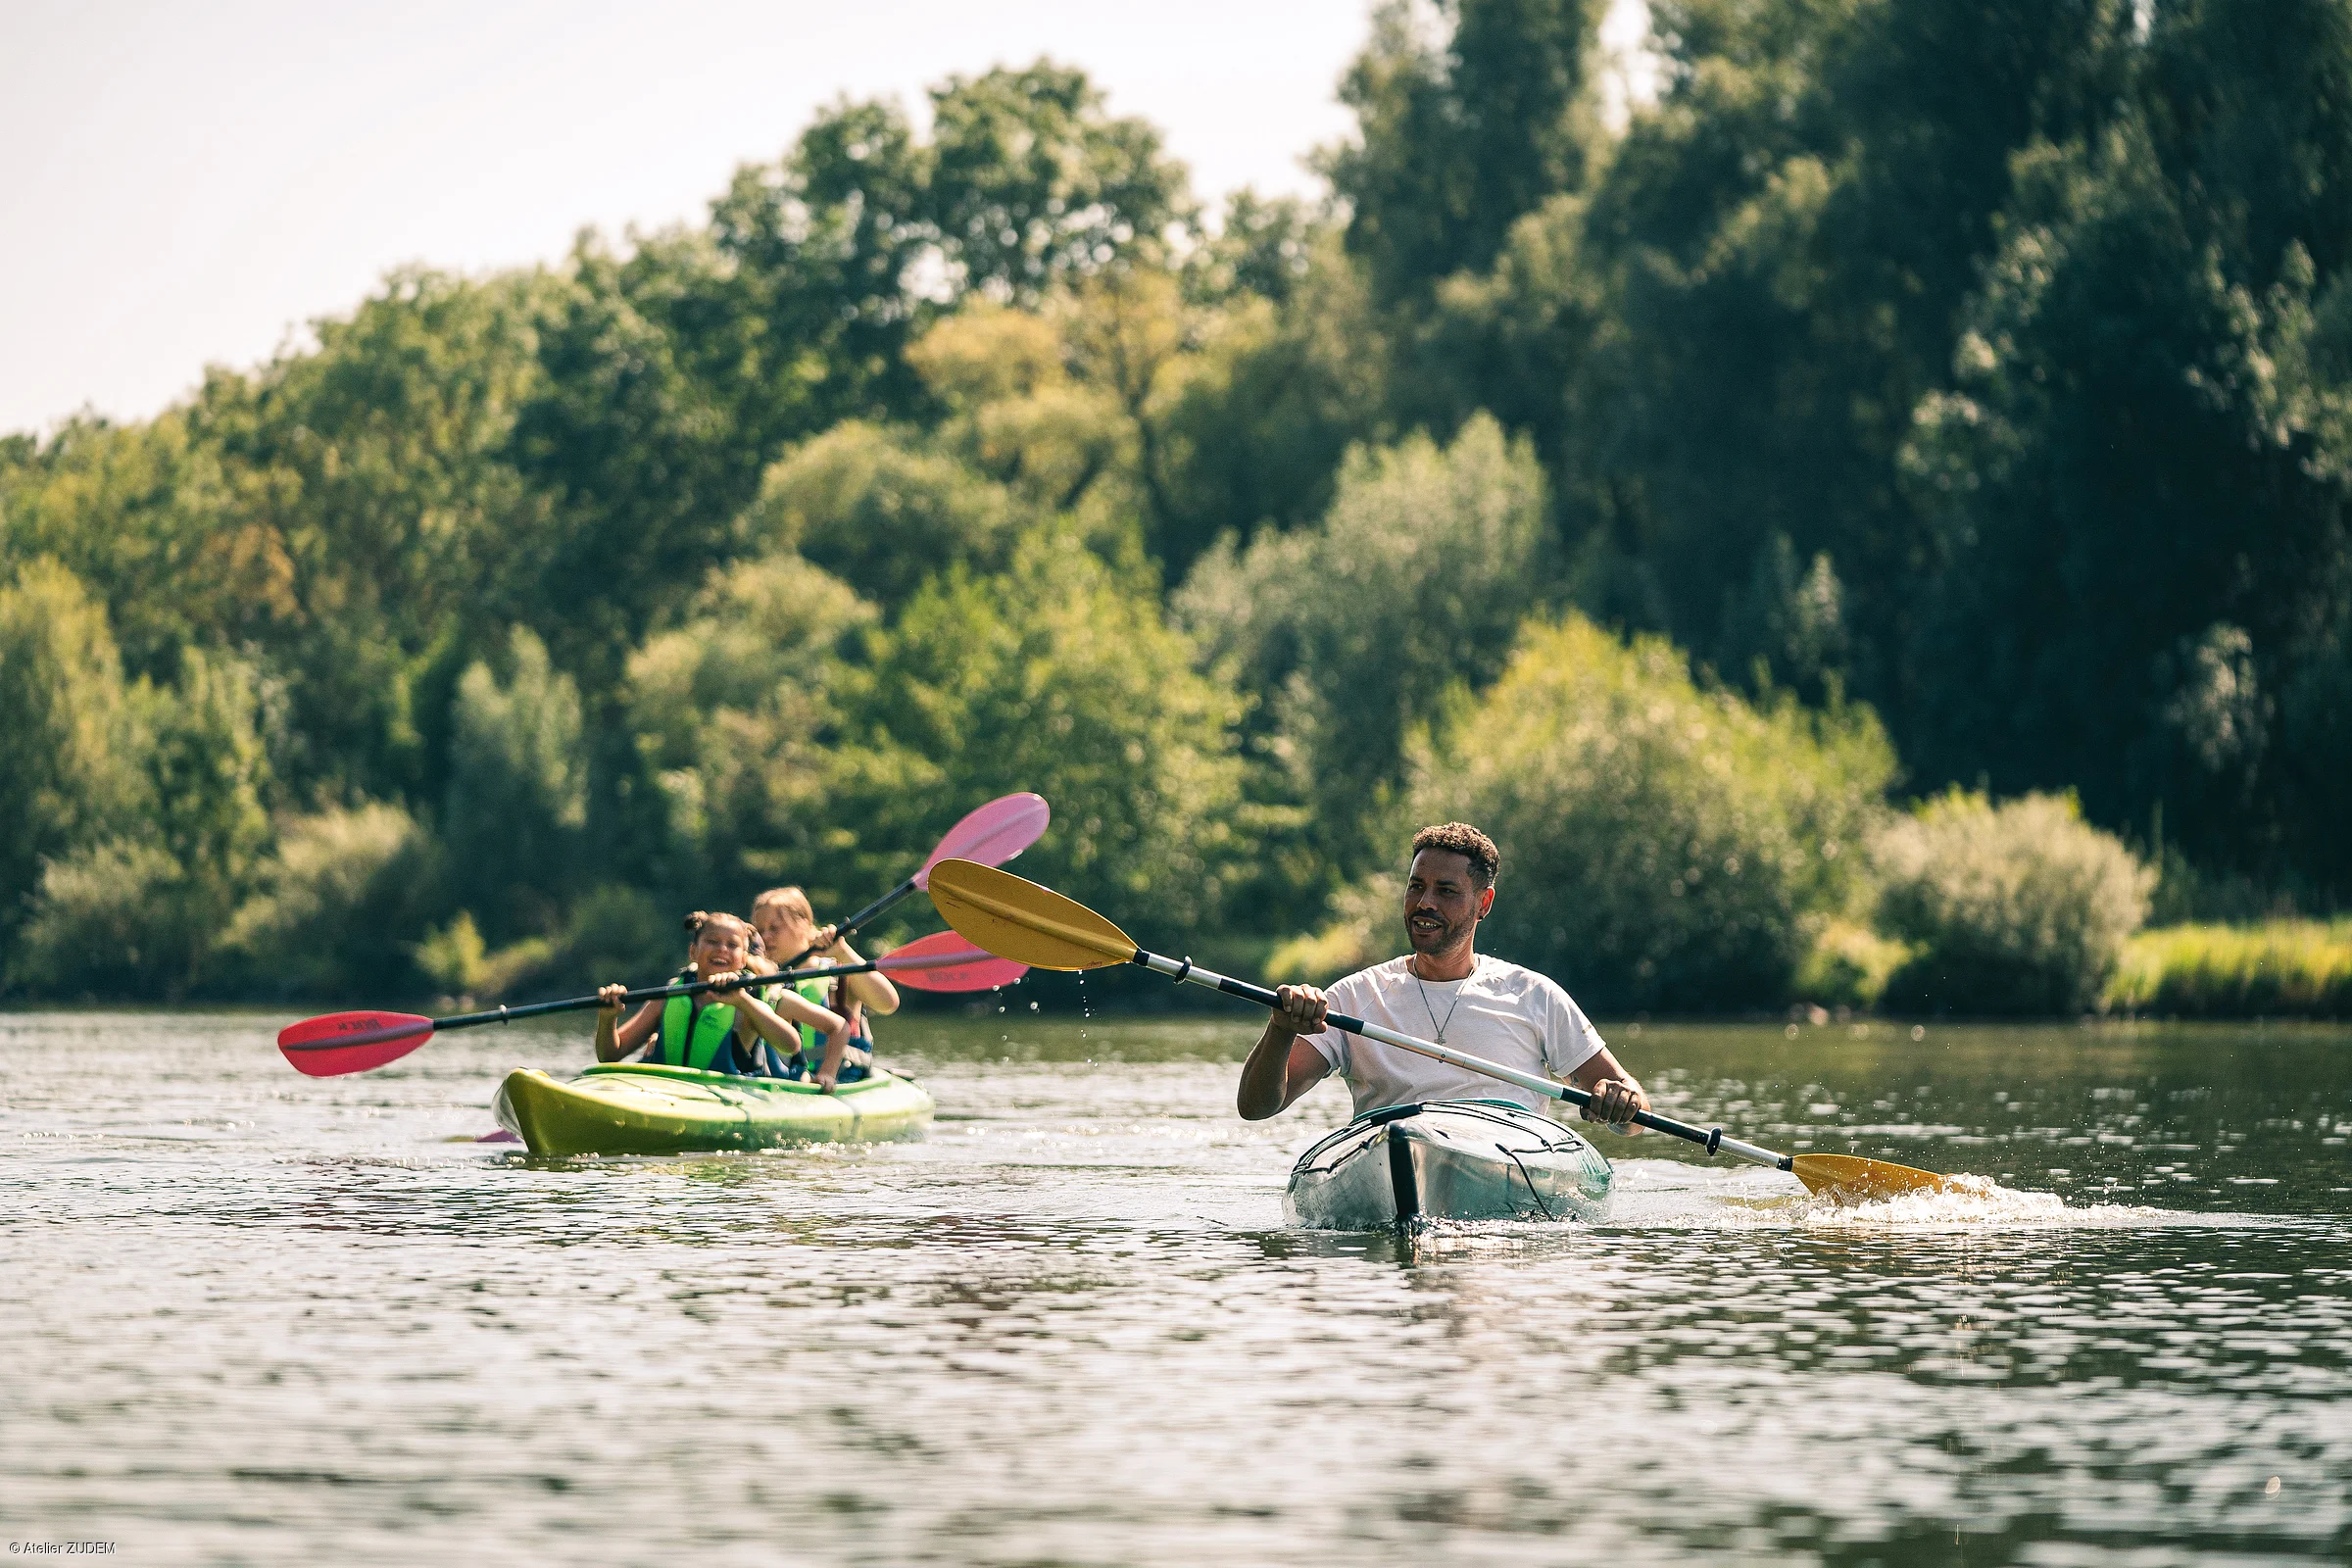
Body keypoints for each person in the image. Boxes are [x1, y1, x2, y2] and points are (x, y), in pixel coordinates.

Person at [1236, 822, 1651, 1132]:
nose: (1425, 904)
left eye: (1446, 891)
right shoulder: (1352, 997)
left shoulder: (1534, 996)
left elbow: (1634, 1119)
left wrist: (1622, 1099)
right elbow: (1256, 1107)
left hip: (1506, 1156)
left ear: (1483, 903)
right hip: (1390, 1148)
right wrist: (1280, 1030)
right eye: (1416, 887)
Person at [595, 911, 842, 1077]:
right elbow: (610, 1055)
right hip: (667, 1093)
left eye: (732, 945)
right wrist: (608, 1018)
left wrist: (742, 1001)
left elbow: (790, 1045)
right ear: (693, 951)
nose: (722, 949)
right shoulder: (669, 995)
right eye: (712, 941)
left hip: (728, 1098)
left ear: (744, 958)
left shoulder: (755, 996)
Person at [748, 886, 901, 1090]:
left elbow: (887, 1003)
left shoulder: (836, 969)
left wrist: (843, 952)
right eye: (760, 930)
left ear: (804, 924)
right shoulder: (759, 977)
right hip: (783, 1077)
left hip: (841, 1077)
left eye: (775, 928)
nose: (766, 937)